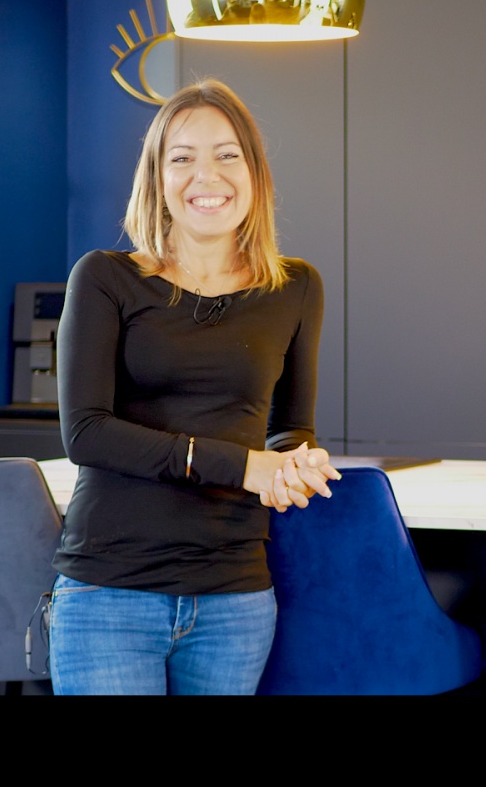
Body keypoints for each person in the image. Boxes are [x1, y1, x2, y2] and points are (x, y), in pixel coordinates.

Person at [48, 78, 342, 695]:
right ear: (158, 180)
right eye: (182, 158)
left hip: (235, 597)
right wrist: (245, 467)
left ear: (254, 173)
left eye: (227, 154)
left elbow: (290, 427)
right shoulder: (104, 278)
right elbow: (86, 433)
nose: (206, 175)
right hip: (110, 592)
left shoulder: (296, 288)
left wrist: (295, 461)